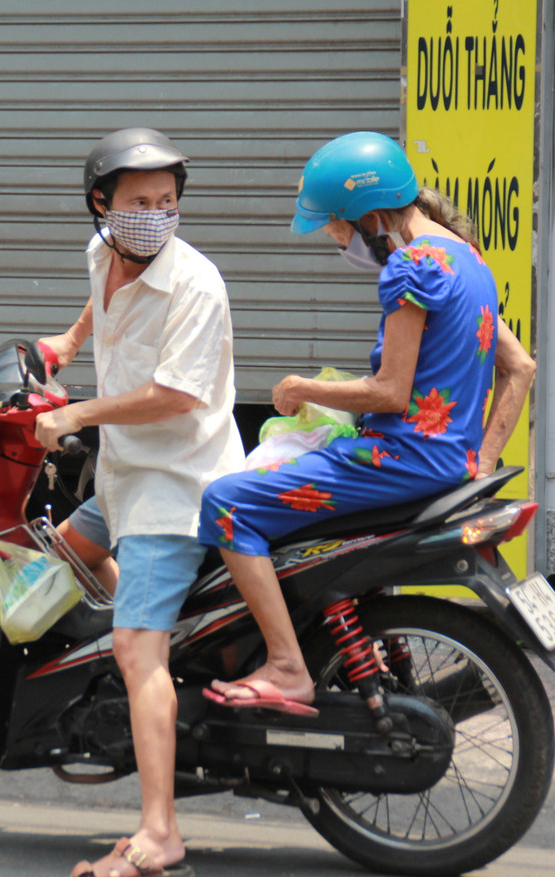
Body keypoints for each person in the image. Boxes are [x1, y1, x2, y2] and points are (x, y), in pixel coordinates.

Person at [197, 131, 536, 713]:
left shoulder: (410, 269)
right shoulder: (467, 260)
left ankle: (285, 666)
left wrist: (302, 387)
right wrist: (478, 458)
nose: (334, 239)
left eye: (336, 225)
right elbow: (520, 367)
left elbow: (390, 392)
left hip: (397, 463)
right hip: (442, 466)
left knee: (225, 504)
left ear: (372, 218)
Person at [33, 127, 244, 877]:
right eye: (140, 202)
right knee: (54, 556)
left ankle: (162, 831)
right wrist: (64, 341)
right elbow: (100, 306)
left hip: (175, 485)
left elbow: (175, 396)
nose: (156, 213)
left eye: (167, 201)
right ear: (102, 205)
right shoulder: (104, 254)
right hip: (123, 476)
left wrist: (75, 413)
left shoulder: (196, 284)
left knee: (134, 650)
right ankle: (168, 636)